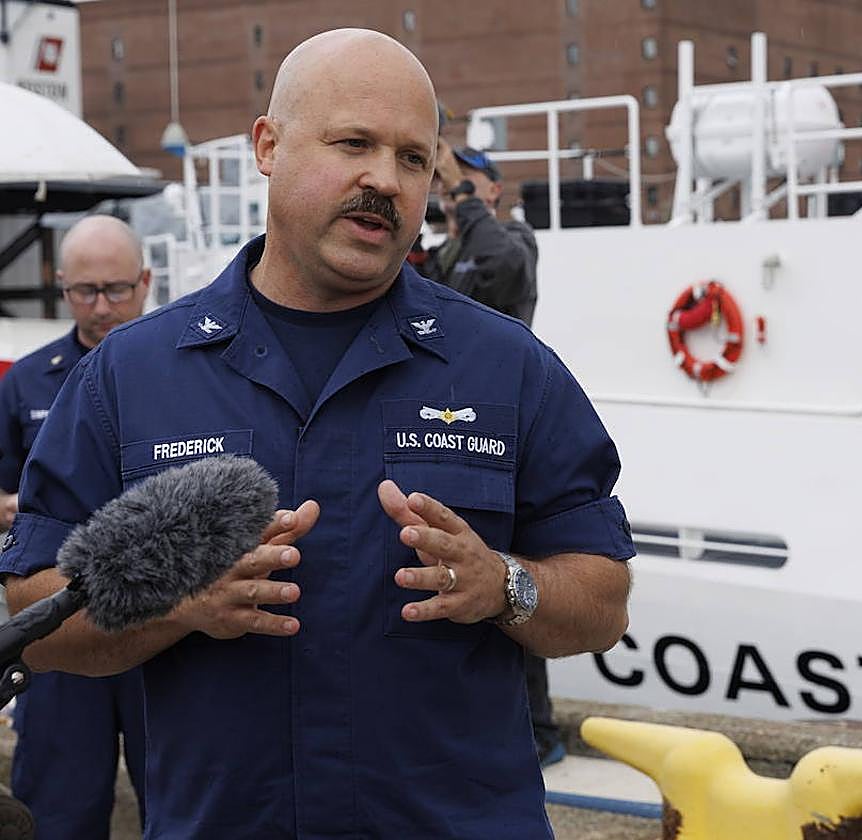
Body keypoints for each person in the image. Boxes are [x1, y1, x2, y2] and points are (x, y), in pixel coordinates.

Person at [0, 28, 633, 839]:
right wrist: (180, 607)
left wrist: (502, 585)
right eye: (353, 143)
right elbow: (33, 612)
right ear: (269, 145)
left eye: (413, 158)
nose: (384, 179)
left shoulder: (508, 369)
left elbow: (603, 601)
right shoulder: (133, 377)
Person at [0, 215, 150, 839]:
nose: (101, 306)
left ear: (144, 283)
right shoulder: (27, 381)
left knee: (193, 793)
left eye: (115, 290)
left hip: (164, 616)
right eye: (84, 292)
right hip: (60, 617)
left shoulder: (190, 375)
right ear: (62, 288)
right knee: (60, 806)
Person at [427, 143, 564, 766]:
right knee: (456, 580)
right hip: (443, 430)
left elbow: (505, 268)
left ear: (493, 194)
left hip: (498, 434)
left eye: (468, 182)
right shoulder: (447, 252)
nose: (450, 189)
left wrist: (461, 191)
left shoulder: (512, 240)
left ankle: (538, 732)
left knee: (511, 579)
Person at [422, 142, 538, 325]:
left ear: (494, 190)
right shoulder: (438, 255)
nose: (447, 180)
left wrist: (461, 190)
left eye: (462, 173)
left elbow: (504, 263)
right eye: (444, 173)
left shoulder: (517, 236)